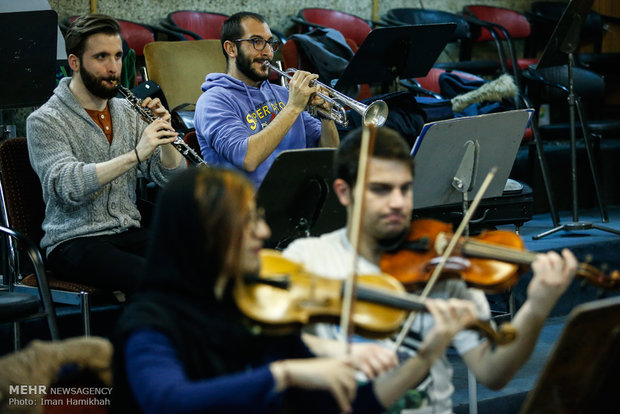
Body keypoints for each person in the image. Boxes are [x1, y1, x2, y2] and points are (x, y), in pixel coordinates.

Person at [112, 167, 480, 414]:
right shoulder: (150, 322)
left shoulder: (252, 309)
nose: (263, 233)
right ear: (203, 236)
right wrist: (285, 373)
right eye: (246, 222)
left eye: (257, 218)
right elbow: (166, 401)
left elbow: (342, 404)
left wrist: (424, 358)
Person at [283, 127, 578, 413]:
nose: (398, 203)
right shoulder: (308, 258)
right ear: (344, 192)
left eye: (405, 189)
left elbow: (493, 372)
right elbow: (273, 353)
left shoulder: (440, 268)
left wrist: (537, 308)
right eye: (381, 189)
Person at [26, 14, 185, 293]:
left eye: (117, 56)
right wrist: (135, 155)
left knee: (201, 262)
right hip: (73, 241)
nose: (113, 68)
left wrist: (165, 137)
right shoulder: (44, 120)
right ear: (74, 63)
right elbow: (66, 184)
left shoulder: (127, 109)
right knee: (152, 277)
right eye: (101, 57)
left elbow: (172, 179)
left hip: (127, 233)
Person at [194, 11, 339, 189]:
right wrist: (293, 107)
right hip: (242, 210)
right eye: (257, 42)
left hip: (296, 201)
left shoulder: (283, 94)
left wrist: (326, 117)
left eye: (270, 43)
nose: (268, 52)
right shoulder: (213, 101)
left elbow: (329, 154)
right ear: (231, 49)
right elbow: (248, 159)